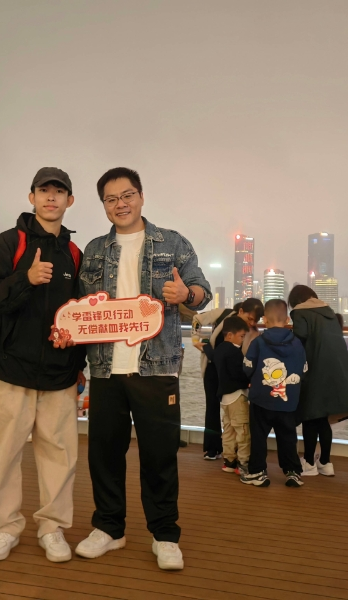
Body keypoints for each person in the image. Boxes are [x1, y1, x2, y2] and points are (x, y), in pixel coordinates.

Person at [73, 167, 211, 571]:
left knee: (159, 456)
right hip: (105, 369)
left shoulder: (173, 242)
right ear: (104, 205)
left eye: (127, 195)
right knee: (104, 455)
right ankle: (109, 528)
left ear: (141, 196)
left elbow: (201, 292)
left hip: (157, 369)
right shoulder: (94, 251)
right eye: (111, 199)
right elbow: (79, 311)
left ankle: (165, 535)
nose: (121, 204)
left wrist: (186, 293)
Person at [0, 167, 86, 564]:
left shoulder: (75, 253)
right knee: (4, 454)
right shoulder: (10, 241)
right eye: (44, 191)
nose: (51, 197)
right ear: (32, 197)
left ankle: (52, 528)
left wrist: (77, 356)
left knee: (60, 455)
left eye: (59, 192)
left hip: (60, 373)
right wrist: (26, 278)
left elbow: (81, 313)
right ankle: (5, 527)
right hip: (11, 368)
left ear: (70, 201)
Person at [287, 285, 348, 477]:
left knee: (309, 416)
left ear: (296, 301)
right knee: (323, 418)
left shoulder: (300, 312)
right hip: (334, 370)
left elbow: (299, 339)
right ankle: (325, 461)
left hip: (314, 369)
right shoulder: (329, 312)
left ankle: (309, 463)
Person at [241, 299, 307, 488]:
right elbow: (303, 370)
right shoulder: (297, 343)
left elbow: (247, 367)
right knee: (288, 437)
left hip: (261, 399)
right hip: (288, 401)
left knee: (258, 436)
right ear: (287, 320)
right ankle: (293, 472)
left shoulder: (258, 342)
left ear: (265, 320)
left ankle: (258, 472)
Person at [190, 298, 264, 460]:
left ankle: (234, 450)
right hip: (212, 369)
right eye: (250, 318)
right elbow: (197, 319)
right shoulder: (222, 314)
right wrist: (197, 340)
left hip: (233, 373)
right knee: (212, 406)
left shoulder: (252, 331)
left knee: (234, 413)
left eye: (255, 320)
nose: (252, 323)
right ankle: (212, 448)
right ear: (241, 311)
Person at [212, 315, 251, 475]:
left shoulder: (219, 350)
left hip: (225, 398)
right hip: (237, 396)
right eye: (241, 336)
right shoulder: (234, 352)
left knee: (228, 430)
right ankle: (243, 463)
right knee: (243, 430)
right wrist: (249, 380)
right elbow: (238, 374)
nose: (242, 339)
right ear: (230, 335)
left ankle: (229, 461)